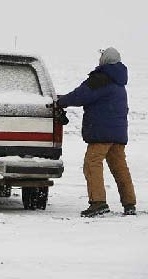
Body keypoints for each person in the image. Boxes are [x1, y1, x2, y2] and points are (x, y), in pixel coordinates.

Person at [57, 47, 136, 217]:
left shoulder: (100, 78)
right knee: (120, 168)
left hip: (102, 132)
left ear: (104, 60)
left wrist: (60, 101)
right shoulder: (119, 81)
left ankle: (98, 203)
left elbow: (80, 95)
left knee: (92, 164)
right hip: (118, 133)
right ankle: (129, 204)